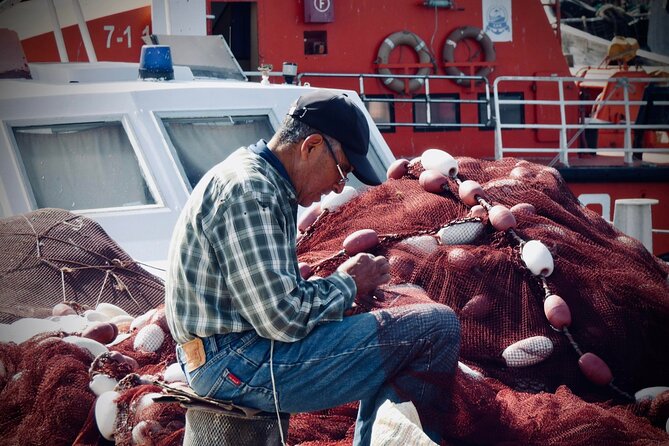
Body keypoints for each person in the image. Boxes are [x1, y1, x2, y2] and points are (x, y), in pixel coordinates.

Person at [164, 89, 461, 445]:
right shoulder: (252, 191)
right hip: (235, 363)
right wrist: (348, 283)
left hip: (222, 355)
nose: (339, 186)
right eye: (342, 171)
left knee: (405, 330)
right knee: (436, 328)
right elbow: (281, 318)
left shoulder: (257, 178)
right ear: (311, 145)